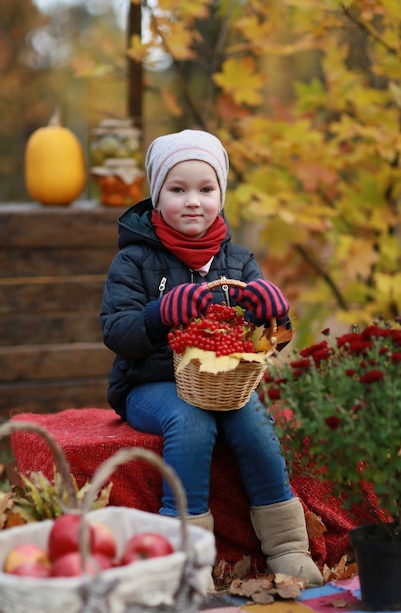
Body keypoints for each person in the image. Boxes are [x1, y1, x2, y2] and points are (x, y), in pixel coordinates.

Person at [100, 129, 323, 587]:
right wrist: (159, 314)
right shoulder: (134, 261)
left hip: (227, 386)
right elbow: (116, 332)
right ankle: (187, 558)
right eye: (177, 189)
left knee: (254, 424)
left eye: (206, 189)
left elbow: (270, 342)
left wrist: (273, 315)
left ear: (221, 194)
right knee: (191, 420)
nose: (193, 201)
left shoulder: (238, 261)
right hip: (150, 385)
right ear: (157, 195)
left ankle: (286, 545)